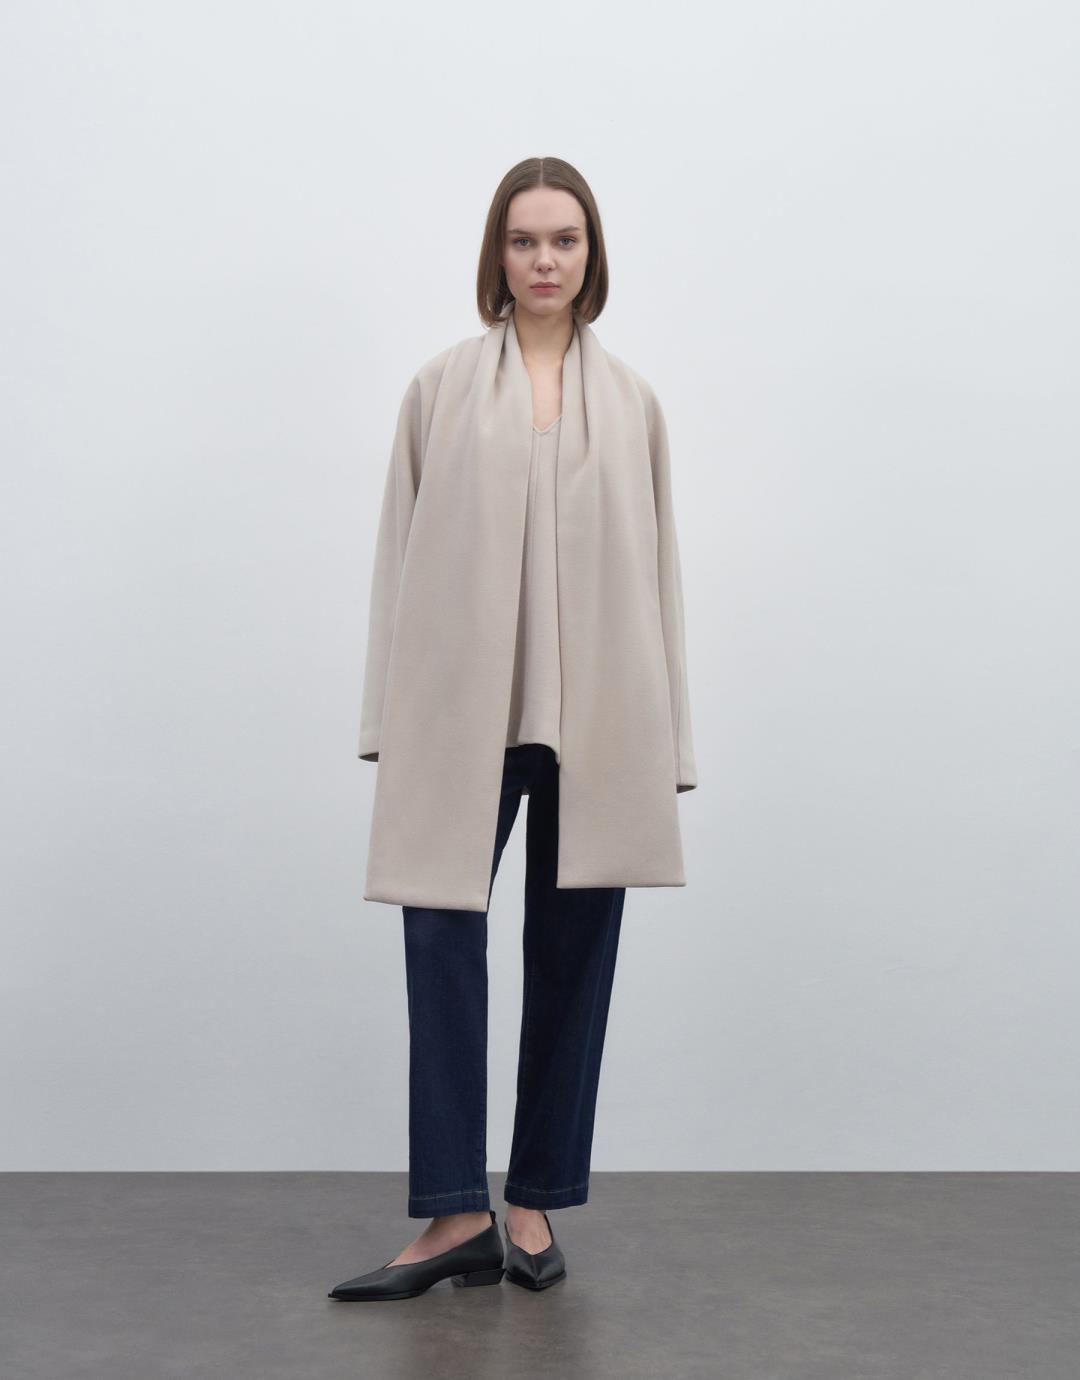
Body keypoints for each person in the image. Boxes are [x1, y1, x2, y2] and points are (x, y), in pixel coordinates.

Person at [329, 157, 696, 1302]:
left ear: (592, 255)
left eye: (564, 240)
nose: (545, 261)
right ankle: (454, 1213)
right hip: (460, 715)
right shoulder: (440, 389)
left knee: (575, 959)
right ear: (497, 252)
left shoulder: (631, 402)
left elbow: (661, 581)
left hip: (600, 720)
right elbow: (396, 555)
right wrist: (385, 716)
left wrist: (673, 744)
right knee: (440, 943)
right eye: (525, 240)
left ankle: (533, 1201)